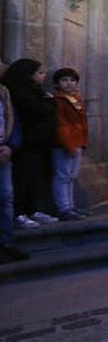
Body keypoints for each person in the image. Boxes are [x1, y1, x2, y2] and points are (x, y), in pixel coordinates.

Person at [2, 59, 58, 227]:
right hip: (26, 141)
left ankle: (33, 209)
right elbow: (38, 109)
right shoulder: (19, 91)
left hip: (39, 141)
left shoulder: (35, 91)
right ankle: (19, 213)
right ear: (27, 75)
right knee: (22, 178)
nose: (44, 76)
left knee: (34, 177)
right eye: (40, 73)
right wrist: (49, 102)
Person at [50, 67, 89, 221]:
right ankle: (63, 208)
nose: (69, 83)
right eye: (64, 80)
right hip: (64, 143)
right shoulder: (57, 100)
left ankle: (71, 206)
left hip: (77, 141)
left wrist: (83, 141)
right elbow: (61, 124)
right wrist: (69, 144)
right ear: (57, 83)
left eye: (72, 80)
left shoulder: (77, 99)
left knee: (71, 176)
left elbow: (83, 122)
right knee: (62, 175)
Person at [0, 77, 30, 262]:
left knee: (5, 198)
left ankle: (6, 243)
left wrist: (10, 145)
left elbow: (14, 121)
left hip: (3, 152)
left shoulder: (4, 93)